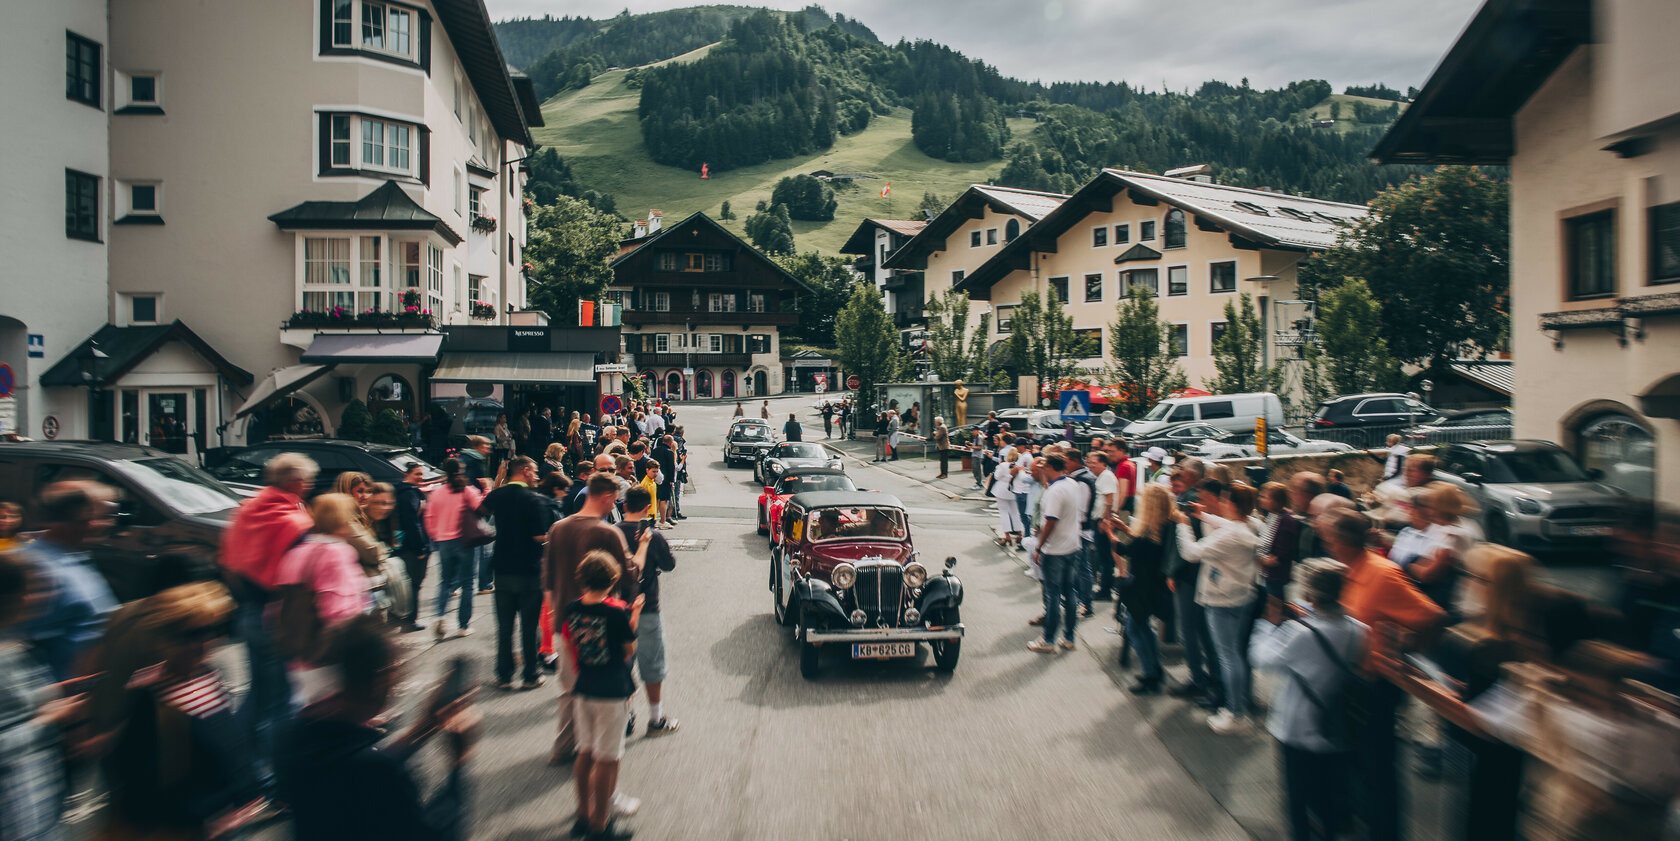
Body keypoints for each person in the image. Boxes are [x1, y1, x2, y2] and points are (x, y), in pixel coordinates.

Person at [280, 615, 480, 841]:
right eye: (395, 670)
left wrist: (426, 725)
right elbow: (431, 834)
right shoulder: (378, 771)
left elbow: (354, 768)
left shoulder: (297, 733)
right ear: (379, 681)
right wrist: (459, 762)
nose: (398, 681)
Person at [1318, 508, 1446, 841]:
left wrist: (1405, 655)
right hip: (1350, 683)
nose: (1325, 542)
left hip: (1374, 687)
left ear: (1344, 540)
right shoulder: (1347, 570)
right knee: (1353, 765)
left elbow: (1431, 616)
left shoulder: (1383, 574)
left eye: (1329, 537)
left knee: (1377, 772)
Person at [101, 581, 265, 840]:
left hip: (228, 823)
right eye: (189, 635)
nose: (202, 643)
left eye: (211, 631)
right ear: (163, 639)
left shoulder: (207, 675)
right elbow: (135, 776)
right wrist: (198, 822)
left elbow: (228, 746)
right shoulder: (152, 694)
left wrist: (247, 795)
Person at [1249, 559, 1368, 841]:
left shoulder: (1300, 633)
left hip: (1296, 729)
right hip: (1336, 726)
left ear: (1310, 594)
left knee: (1297, 799)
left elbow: (1261, 659)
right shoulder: (1358, 630)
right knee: (1327, 795)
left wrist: (1268, 626)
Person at [218, 453, 316, 789]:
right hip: (279, 617)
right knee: (282, 702)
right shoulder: (295, 522)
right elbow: (301, 580)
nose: (309, 486)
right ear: (293, 482)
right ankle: (277, 780)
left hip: (247, 613)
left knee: (257, 694)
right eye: (306, 480)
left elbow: (228, 565)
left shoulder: (245, 511)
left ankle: (240, 767)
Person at [544, 474, 652, 767]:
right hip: (602, 624)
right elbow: (631, 575)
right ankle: (599, 752)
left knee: (569, 691)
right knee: (604, 691)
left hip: (565, 623)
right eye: (614, 500)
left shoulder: (558, 528)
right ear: (605, 497)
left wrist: (554, 619)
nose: (614, 506)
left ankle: (565, 747)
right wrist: (643, 545)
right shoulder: (608, 533)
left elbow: (549, 581)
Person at [0, 553, 83, 841]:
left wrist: (52, 694)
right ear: (14, 596)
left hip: (36, 808)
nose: (50, 594)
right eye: (37, 588)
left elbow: (13, 710)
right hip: (16, 818)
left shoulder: (17, 643)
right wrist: (46, 721)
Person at [562, 551, 644, 841]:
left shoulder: (572, 609)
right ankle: (601, 826)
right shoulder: (616, 613)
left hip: (584, 687)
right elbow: (628, 650)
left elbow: (574, 642)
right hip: (612, 690)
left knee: (584, 752)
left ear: (582, 580)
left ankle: (583, 817)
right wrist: (633, 616)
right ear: (612, 581)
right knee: (607, 758)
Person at [1178, 481, 1260, 734]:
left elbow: (1192, 553)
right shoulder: (1251, 525)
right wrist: (1203, 515)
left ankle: (1237, 714)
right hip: (1242, 595)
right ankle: (1238, 706)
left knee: (1228, 656)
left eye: (1225, 501)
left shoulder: (1229, 535)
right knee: (1235, 653)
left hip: (1222, 599)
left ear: (1231, 503)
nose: (1222, 504)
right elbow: (1231, 526)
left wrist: (1183, 526)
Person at [18, 481, 119, 683]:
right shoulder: (37, 569)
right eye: (104, 515)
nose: (110, 522)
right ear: (82, 518)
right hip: (56, 699)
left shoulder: (74, 559)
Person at [479, 457, 555, 691]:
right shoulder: (535, 500)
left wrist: (498, 482)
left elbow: (479, 512)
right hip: (529, 570)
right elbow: (539, 537)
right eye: (533, 471)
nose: (536, 476)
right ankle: (531, 674)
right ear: (524, 471)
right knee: (529, 626)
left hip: (501, 569)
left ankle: (504, 674)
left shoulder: (497, 496)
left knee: (504, 626)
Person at [616, 488, 679, 737]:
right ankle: (656, 718)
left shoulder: (613, 532)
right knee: (652, 663)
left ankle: (624, 714)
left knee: (622, 663)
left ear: (624, 506)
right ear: (647, 508)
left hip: (617, 606)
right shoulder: (652, 536)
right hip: (647, 604)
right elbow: (669, 565)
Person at [1111, 485, 1172, 693]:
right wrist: (1126, 530)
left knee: (1135, 629)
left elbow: (1127, 550)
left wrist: (1111, 534)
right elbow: (1142, 547)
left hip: (1141, 586)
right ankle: (1154, 669)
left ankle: (1150, 674)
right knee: (1143, 627)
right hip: (1153, 585)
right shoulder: (1164, 528)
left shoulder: (1148, 532)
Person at [1028, 452, 1083, 653]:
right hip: (1072, 546)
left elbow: (1050, 521)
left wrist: (1040, 546)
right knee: (1070, 593)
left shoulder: (1055, 491)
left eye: (1044, 467)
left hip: (1055, 549)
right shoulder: (1072, 484)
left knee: (1052, 595)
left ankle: (1048, 639)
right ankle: (1069, 637)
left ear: (1050, 467)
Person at [425, 458, 484, 641]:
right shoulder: (467, 490)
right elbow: (482, 508)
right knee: (468, 583)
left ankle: (440, 616)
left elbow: (429, 517)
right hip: (465, 541)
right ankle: (463, 625)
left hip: (443, 542)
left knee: (445, 582)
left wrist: (437, 535)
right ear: (462, 470)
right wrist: (488, 489)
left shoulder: (437, 493)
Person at [393, 463, 431, 633]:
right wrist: (420, 548)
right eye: (417, 474)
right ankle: (410, 620)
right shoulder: (409, 494)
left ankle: (405, 618)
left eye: (421, 474)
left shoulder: (402, 491)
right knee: (414, 584)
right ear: (406, 474)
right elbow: (413, 523)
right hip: (413, 546)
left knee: (408, 583)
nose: (420, 477)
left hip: (404, 543)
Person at [1258, 481, 1302, 601]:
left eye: (1264, 497)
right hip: (1266, 574)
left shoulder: (1286, 521)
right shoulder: (1272, 515)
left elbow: (1278, 557)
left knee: (1275, 608)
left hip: (1275, 577)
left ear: (1275, 500)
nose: (1260, 499)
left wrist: (1259, 559)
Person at [992, 447, 1024, 548]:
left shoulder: (1003, 465)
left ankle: (1007, 536)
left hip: (1002, 488)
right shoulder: (1019, 466)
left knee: (1004, 512)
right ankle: (1020, 534)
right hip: (1014, 489)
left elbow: (996, 476)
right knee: (1015, 513)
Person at [653, 435, 678, 529]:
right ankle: (663, 520)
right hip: (666, 478)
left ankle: (655, 519)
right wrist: (672, 480)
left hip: (655, 476)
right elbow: (671, 468)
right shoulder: (669, 452)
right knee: (664, 500)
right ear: (670, 443)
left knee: (657, 498)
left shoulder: (655, 450)